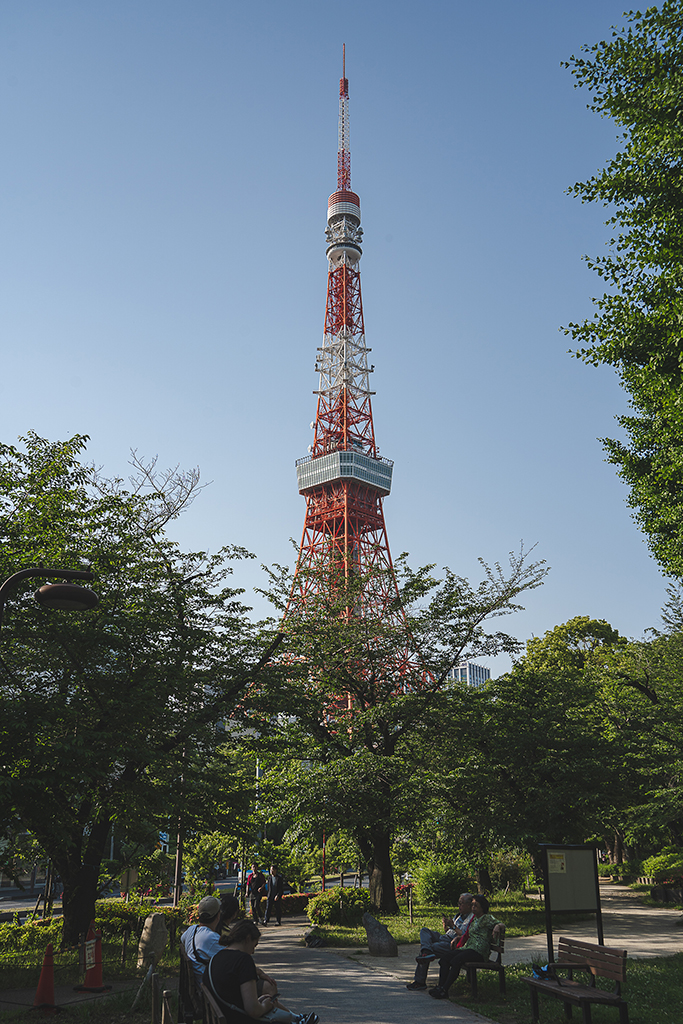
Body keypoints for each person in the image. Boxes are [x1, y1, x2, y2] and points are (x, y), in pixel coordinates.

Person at [205, 919, 319, 1023]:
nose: (253, 952)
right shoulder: (243, 960)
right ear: (248, 939)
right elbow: (253, 1010)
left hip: (221, 1016)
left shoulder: (216, 958)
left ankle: (297, 1019)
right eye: (254, 946)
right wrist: (266, 1006)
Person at [429, 893, 503, 999]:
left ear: (482, 907)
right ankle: (440, 987)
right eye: (472, 905)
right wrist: (459, 938)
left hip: (479, 951)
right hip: (469, 948)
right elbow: (467, 934)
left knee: (456, 961)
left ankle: (444, 989)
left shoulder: (486, 918)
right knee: (445, 959)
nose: (473, 908)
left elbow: (501, 924)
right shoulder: (474, 919)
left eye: (476, 906)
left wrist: (497, 926)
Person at [405, 892, 474, 991]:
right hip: (445, 937)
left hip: (453, 944)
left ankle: (420, 982)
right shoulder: (459, 915)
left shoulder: (472, 918)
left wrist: (453, 926)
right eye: (458, 903)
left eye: (461, 903)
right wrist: (446, 927)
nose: (458, 905)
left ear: (469, 905)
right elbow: (449, 932)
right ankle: (426, 951)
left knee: (431, 948)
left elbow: (465, 936)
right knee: (424, 931)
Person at [181, 895, 224, 986]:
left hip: (198, 984)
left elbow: (182, 939)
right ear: (218, 916)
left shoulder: (191, 930)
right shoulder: (212, 938)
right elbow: (232, 959)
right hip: (210, 987)